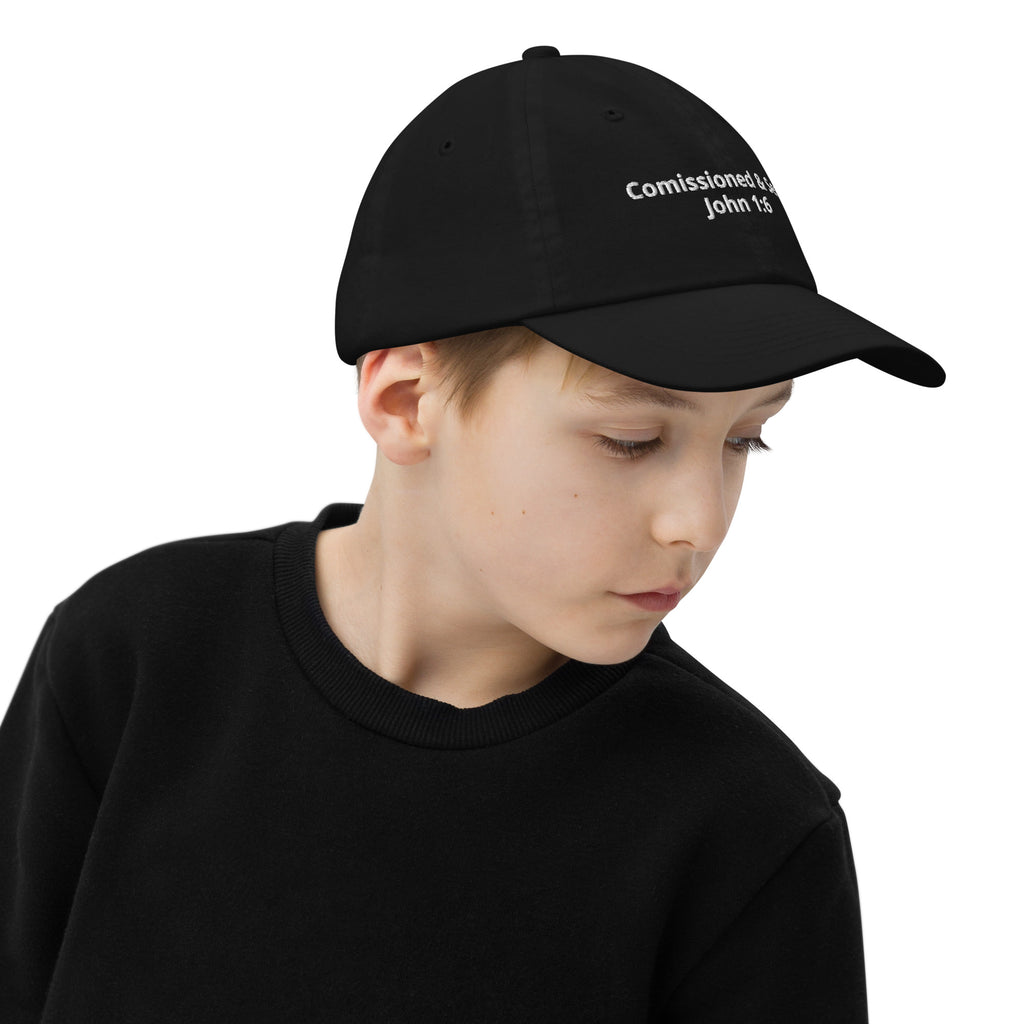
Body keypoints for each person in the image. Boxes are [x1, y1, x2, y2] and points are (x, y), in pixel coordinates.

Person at [0, 45, 945, 1023]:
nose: (697, 522)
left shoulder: (746, 830)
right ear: (407, 401)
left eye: (746, 438)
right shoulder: (135, 660)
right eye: (631, 439)